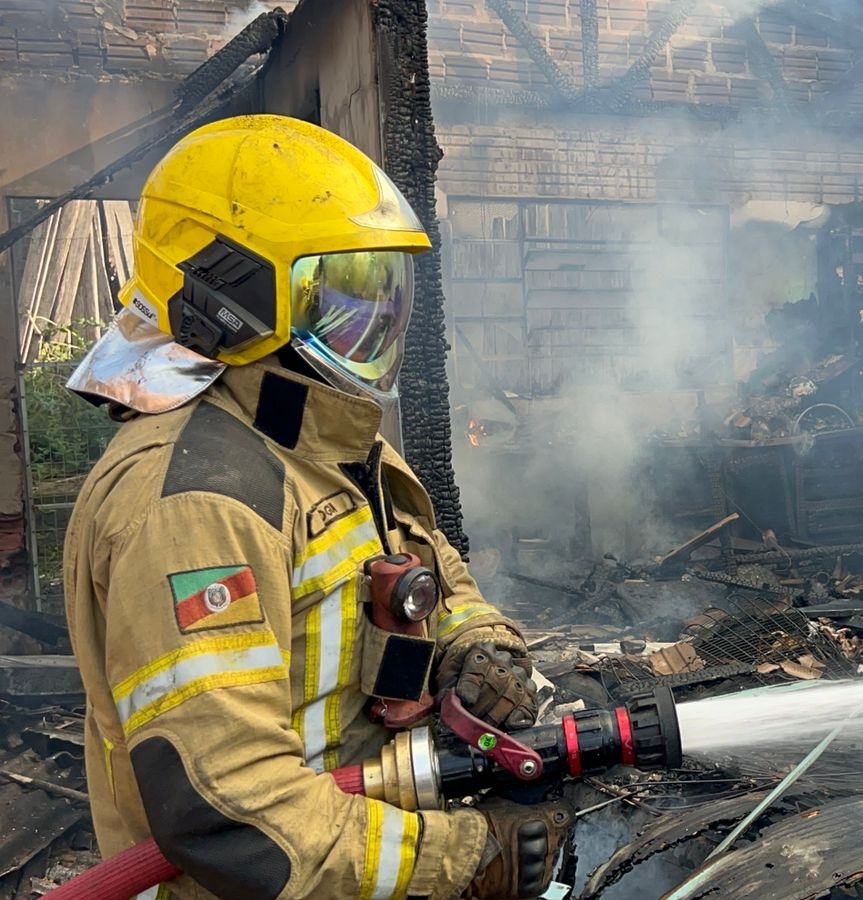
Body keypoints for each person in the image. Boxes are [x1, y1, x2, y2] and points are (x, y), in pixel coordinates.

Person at [63, 115, 556, 899]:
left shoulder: (323, 438)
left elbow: (433, 571)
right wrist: (460, 860)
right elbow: (232, 808)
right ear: (230, 298)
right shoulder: (193, 504)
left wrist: (474, 642)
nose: (374, 322)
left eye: (383, 291)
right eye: (340, 295)